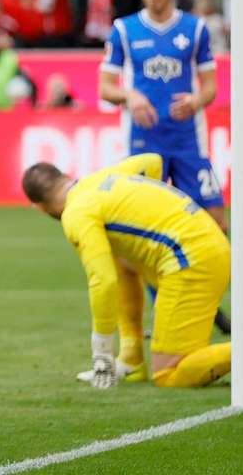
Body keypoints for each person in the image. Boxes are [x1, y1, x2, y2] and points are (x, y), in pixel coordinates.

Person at [98, 0, 230, 334]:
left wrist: (195, 101)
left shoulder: (196, 29)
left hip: (188, 142)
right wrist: (130, 97)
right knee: (148, 233)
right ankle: (167, 307)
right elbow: (106, 88)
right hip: (143, 146)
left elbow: (210, 87)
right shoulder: (124, 30)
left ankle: (209, 302)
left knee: (215, 224)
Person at [21, 154, 230, 389]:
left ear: (38, 207)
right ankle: (132, 360)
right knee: (118, 257)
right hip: (208, 244)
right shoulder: (102, 178)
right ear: (66, 177)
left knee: (168, 375)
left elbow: (103, 281)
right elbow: (153, 162)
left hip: (191, 261)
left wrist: (101, 352)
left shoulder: (76, 214)